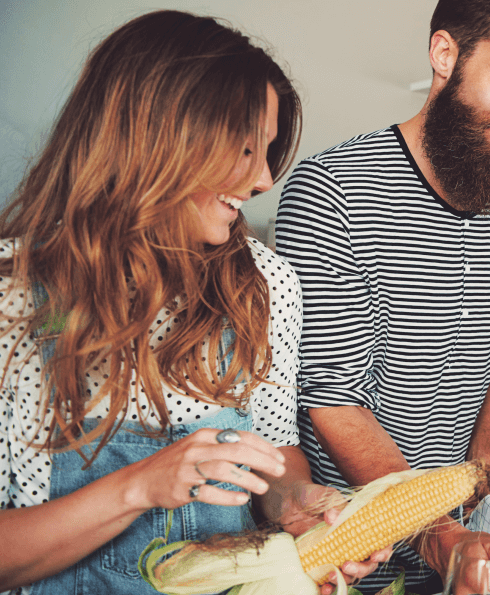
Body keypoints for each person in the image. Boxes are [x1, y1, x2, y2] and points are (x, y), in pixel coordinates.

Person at [0, 11, 387, 595]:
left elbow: (276, 460)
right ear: (158, 134)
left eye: (268, 150)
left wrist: (295, 507)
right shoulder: (17, 295)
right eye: (245, 147)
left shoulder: (266, 285)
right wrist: (138, 487)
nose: (262, 178)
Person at [275, 0, 490, 591]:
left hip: (459, 544)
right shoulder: (333, 189)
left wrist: (479, 483)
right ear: (445, 54)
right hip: (350, 559)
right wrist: (440, 536)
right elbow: (332, 398)